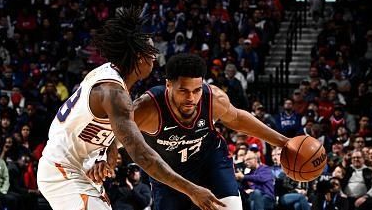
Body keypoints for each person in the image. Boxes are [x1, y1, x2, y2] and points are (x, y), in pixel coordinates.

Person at [37, 8, 225, 210]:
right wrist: (192, 190)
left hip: (81, 168)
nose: (155, 59)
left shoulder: (110, 74)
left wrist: (103, 158)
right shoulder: (114, 94)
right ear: (138, 57)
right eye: (152, 54)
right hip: (62, 170)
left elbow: (104, 132)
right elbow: (142, 155)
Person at [104, 53, 288, 209]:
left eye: (197, 90)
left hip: (210, 162)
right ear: (169, 85)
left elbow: (238, 118)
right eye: (183, 90)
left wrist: (283, 141)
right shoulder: (148, 108)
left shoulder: (213, 98)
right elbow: (120, 134)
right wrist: (107, 152)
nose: (191, 98)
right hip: (168, 174)